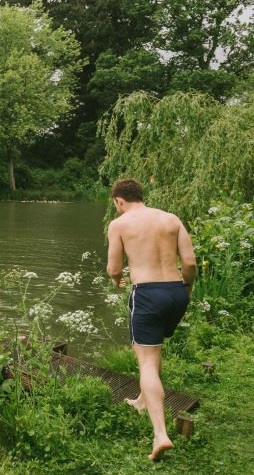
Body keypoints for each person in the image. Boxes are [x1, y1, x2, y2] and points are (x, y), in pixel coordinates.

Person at [106, 178, 196, 462]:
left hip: (146, 294)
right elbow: (190, 263)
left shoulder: (119, 224)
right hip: (175, 292)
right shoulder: (171, 219)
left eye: (116, 205)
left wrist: (117, 280)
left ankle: (160, 434)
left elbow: (113, 267)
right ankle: (143, 400)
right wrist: (187, 290)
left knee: (145, 360)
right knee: (154, 349)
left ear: (119, 200)